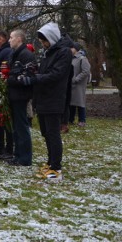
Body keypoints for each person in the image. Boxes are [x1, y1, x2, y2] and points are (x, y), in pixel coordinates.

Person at [19, 22, 72, 182]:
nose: (42, 44)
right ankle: (50, 162)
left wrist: (35, 79)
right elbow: (43, 71)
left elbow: (56, 74)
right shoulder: (48, 53)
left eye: (44, 40)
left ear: (52, 38)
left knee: (53, 133)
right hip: (42, 98)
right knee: (46, 133)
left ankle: (56, 167)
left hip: (53, 98)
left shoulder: (63, 53)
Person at [5, 30, 36, 166]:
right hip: (13, 94)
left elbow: (27, 76)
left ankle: (24, 157)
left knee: (22, 127)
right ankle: (17, 154)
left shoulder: (26, 55)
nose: (9, 40)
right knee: (16, 127)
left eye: (11, 38)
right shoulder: (14, 54)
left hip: (21, 95)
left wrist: (10, 79)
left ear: (19, 39)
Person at [70, 43, 90, 127]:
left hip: (79, 85)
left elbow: (86, 71)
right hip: (72, 84)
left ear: (75, 49)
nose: (70, 49)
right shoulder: (72, 58)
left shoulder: (82, 58)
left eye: (71, 48)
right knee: (72, 102)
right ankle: (70, 119)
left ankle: (82, 120)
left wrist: (76, 79)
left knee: (80, 102)